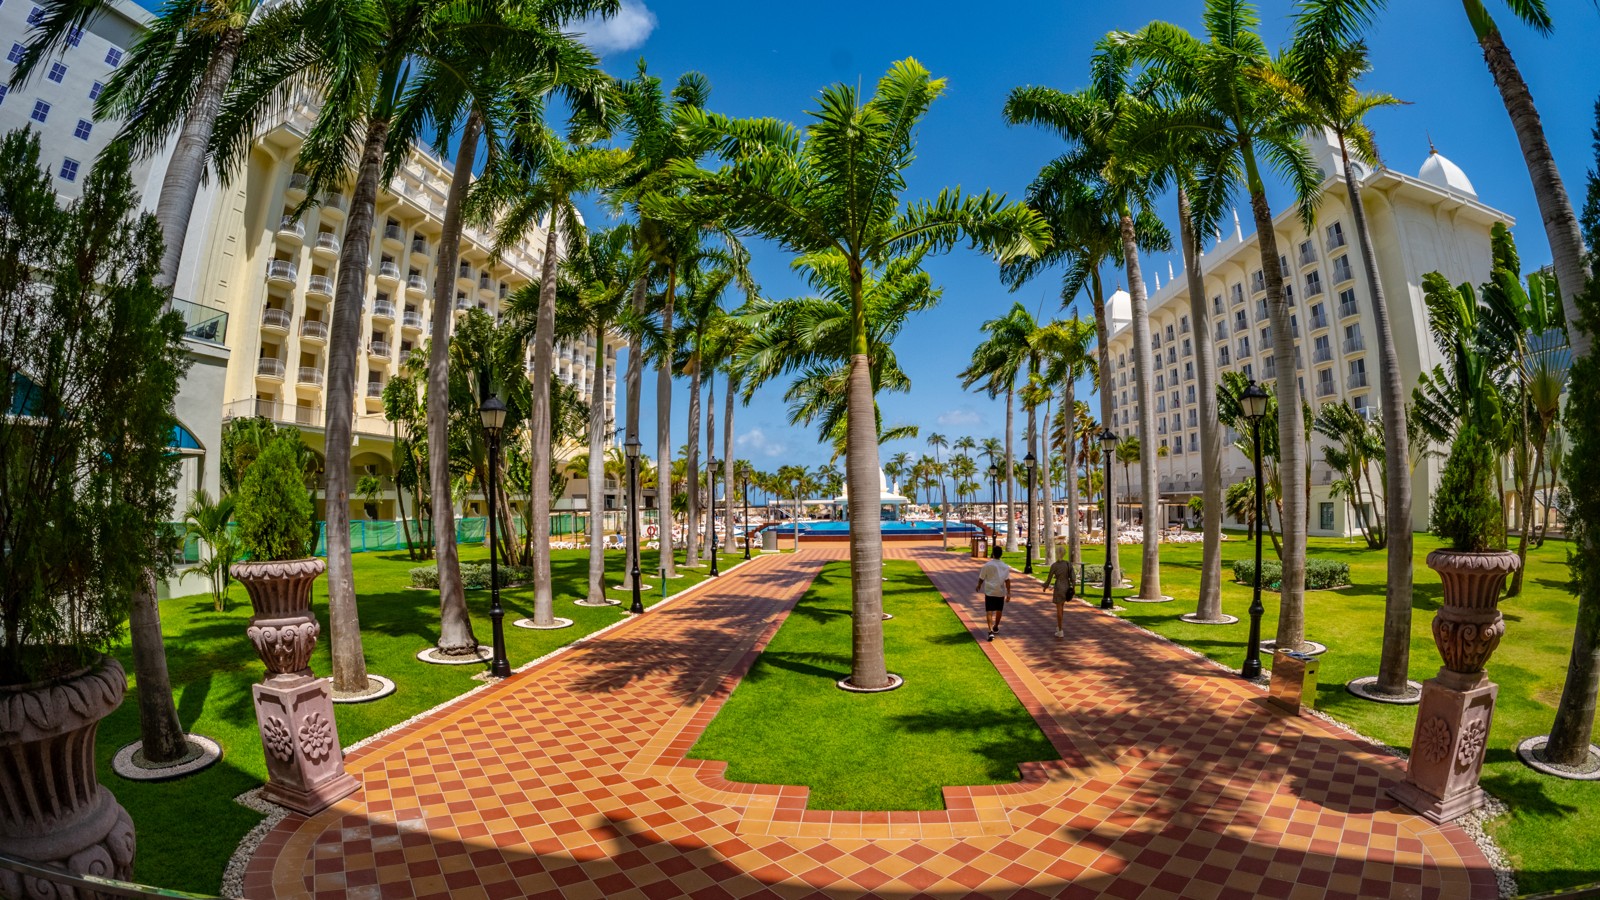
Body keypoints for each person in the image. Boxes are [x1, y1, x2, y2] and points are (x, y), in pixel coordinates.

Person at [975, 544, 1011, 641]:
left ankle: (990, 631)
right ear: (1001, 554)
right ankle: (995, 626)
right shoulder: (1005, 566)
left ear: (993, 554)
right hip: (1000, 592)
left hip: (989, 591)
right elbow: (1007, 580)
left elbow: (981, 577)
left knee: (989, 611)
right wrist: (1009, 593)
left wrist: (979, 585)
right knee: (999, 610)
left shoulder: (987, 565)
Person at [1042, 558, 1077, 639]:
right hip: (1066, 587)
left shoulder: (1054, 565)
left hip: (1058, 587)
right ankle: (1059, 627)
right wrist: (1073, 588)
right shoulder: (1068, 564)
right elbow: (1073, 577)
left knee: (1059, 608)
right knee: (1062, 607)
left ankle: (1060, 630)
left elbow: (1049, 578)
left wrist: (1045, 586)